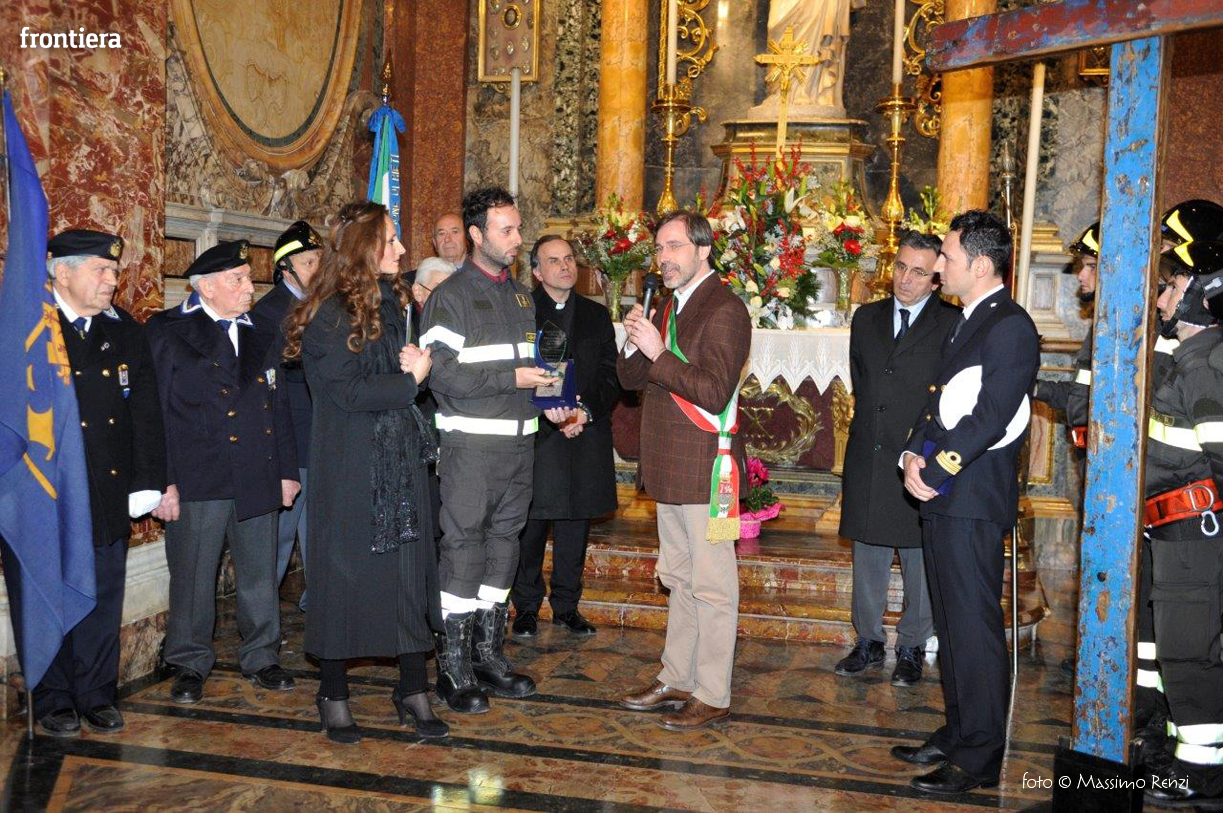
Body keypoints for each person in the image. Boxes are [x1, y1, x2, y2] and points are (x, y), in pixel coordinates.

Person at [284, 201, 448, 743]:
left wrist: (414, 371)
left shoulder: (392, 303)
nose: (401, 249)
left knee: (408, 573)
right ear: (364, 248)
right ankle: (332, 694)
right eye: (391, 239)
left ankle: (413, 688)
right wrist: (411, 380)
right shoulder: (329, 313)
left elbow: (397, 374)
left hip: (400, 460)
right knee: (344, 577)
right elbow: (347, 392)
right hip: (351, 467)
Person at [894, 210, 1040, 794]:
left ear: (980, 265)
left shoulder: (1010, 326)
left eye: (947, 257)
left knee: (974, 625)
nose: (939, 267)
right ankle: (959, 729)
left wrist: (936, 468)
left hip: (971, 497)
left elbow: (990, 416)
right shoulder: (970, 319)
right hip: (946, 494)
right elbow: (938, 402)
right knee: (952, 621)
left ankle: (979, 753)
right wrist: (912, 452)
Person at [20, 229, 166, 737]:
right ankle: (54, 695)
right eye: (101, 270)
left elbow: (146, 412)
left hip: (106, 487)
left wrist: (147, 480)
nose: (112, 280)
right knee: (51, 594)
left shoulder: (123, 330)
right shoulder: (30, 330)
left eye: (114, 270)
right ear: (62, 274)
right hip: (47, 492)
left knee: (103, 594)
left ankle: (96, 693)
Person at [146, 240, 300, 704]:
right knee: (193, 575)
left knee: (259, 572)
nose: (250, 287)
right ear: (206, 287)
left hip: (256, 469)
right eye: (238, 280)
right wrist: (163, 482)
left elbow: (278, 405)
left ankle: (263, 655)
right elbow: (154, 413)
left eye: (248, 278)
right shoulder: (168, 330)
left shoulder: (263, 330)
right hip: (198, 475)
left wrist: (287, 471)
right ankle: (189, 662)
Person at [419, 187, 553, 714]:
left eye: (518, 228)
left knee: (504, 548)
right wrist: (511, 378)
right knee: (463, 550)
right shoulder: (449, 297)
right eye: (507, 230)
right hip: (471, 450)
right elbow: (441, 376)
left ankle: (487, 655)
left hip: (520, 448)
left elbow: (530, 370)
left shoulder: (521, 296)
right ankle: (452, 668)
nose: (518, 239)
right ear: (477, 235)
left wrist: (553, 401)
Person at [617, 210, 751, 731]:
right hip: (669, 468)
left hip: (705, 471)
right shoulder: (669, 305)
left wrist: (658, 350)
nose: (664, 258)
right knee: (677, 577)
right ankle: (677, 675)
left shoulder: (725, 309)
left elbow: (713, 392)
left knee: (713, 585)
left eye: (674, 247)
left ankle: (712, 692)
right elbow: (631, 380)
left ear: (703, 249)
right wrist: (635, 341)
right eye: (659, 249)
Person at [836, 231, 958, 687]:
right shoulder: (866, 317)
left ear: (936, 279)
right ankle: (867, 640)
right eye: (901, 267)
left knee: (918, 553)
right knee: (867, 550)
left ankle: (912, 644)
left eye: (919, 272)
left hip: (919, 455)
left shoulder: (951, 323)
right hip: (870, 450)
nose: (905, 279)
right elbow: (863, 381)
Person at [1139, 241, 1223, 807]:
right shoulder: (1190, 358)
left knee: (1191, 652)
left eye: (1171, 286)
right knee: (1176, 650)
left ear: (1201, 294)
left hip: (1195, 535)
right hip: (1174, 533)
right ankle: (1181, 751)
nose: (1162, 298)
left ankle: (1203, 771)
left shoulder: (1207, 364)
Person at [511, 235, 620, 639]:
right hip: (540, 437)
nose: (564, 266)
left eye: (569, 258)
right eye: (554, 261)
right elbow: (514, 372)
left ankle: (567, 606)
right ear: (536, 272)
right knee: (531, 527)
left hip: (584, 434)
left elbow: (610, 373)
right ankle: (525, 607)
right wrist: (552, 415)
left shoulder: (596, 314)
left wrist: (583, 412)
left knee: (575, 525)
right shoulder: (522, 311)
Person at [250, 220, 322, 612]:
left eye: (320, 260)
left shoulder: (320, 306)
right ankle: (261, 619)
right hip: (292, 442)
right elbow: (268, 386)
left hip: (319, 436)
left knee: (319, 531)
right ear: (286, 269)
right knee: (280, 536)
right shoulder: (268, 313)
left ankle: (322, 603)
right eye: (309, 262)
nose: (318, 269)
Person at [1034, 222, 1098, 452]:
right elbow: (1079, 394)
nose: (1081, 275)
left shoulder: (1123, 330)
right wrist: (1032, 388)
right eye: (1083, 266)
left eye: (1092, 266)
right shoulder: (1102, 324)